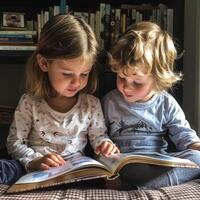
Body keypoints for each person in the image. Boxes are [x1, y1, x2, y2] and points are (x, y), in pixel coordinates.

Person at [6, 14, 119, 182]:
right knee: (5, 168)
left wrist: (105, 145)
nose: (77, 82)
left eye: (84, 74)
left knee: (106, 176)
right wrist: (35, 160)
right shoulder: (30, 102)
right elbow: (15, 143)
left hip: (75, 169)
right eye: (67, 74)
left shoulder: (91, 104)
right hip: (35, 168)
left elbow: (98, 136)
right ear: (44, 63)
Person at [102, 21, 200, 190]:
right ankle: (139, 183)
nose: (126, 87)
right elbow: (98, 133)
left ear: (157, 79)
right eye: (121, 78)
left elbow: (185, 136)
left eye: (137, 82)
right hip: (124, 163)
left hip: (157, 164)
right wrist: (104, 144)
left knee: (197, 159)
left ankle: (133, 186)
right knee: (107, 163)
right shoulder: (110, 101)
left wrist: (196, 147)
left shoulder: (166, 103)